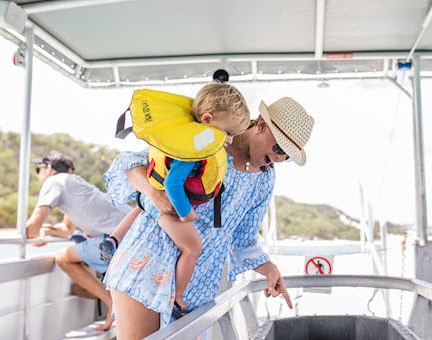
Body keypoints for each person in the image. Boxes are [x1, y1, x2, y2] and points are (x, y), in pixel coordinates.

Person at [103, 96, 315, 339]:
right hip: (149, 263)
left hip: (197, 291)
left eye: (286, 156)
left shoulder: (264, 179)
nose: (278, 159)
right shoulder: (208, 137)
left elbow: (243, 239)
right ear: (262, 126)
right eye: (279, 149)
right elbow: (130, 164)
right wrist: (154, 193)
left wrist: (269, 269)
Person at [99, 81, 250, 312]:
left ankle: (113, 240)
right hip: (167, 210)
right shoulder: (194, 149)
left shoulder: (192, 140)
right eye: (228, 133)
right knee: (192, 248)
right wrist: (186, 214)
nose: (229, 140)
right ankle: (177, 297)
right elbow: (172, 183)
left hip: (149, 202)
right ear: (208, 120)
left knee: (142, 206)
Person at [26, 151, 133, 331]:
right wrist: (46, 230)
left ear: (49, 169)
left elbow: (30, 229)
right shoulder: (74, 184)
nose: (40, 175)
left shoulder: (54, 181)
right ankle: (114, 299)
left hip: (116, 244)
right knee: (78, 289)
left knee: (62, 258)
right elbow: (66, 229)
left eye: (39, 169)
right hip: (131, 240)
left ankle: (111, 302)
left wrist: (36, 233)